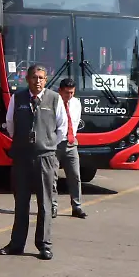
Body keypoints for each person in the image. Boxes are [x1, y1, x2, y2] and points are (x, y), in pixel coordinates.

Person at [0, 64, 68, 260]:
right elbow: (10, 124)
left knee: (45, 203)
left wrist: (47, 144)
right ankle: (16, 244)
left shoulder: (54, 99)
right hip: (22, 158)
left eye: (41, 78)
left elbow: (62, 128)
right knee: (21, 203)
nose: (37, 81)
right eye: (34, 77)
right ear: (27, 79)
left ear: (46, 80)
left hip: (45, 158)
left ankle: (44, 245)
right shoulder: (17, 98)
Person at [52, 78, 87, 219]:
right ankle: (52, 206)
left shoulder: (76, 103)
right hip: (55, 144)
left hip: (71, 144)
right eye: (67, 93)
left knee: (75, 176)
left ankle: (76, 206)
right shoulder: (53, 102)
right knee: (52, 177)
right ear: (60, 91)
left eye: (72, 93)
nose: (69, 96)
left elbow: (76, 121)